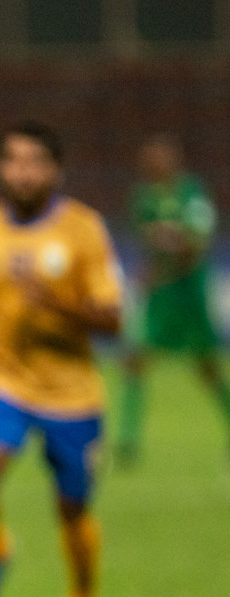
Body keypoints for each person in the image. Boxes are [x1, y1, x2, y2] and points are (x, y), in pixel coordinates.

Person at [0, 121, 122, 597]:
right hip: (4, 380)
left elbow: (113, 320)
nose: (21, 172)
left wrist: (56, 303)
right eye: (12, 160)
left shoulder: (83, 230)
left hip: (72, 394)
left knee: (72, 508)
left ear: (55, 170)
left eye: (34, 162)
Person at [115, 134, 230, 464]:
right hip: (161, 298)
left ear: (173, 160)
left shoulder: (191, 193)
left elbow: (196, 245)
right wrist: (150, 268)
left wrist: (170, 241)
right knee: (135, 362)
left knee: (208, 369)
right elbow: (146, 241)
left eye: (160, 158)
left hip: (189, 296)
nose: (153, 164)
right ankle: (127, 440)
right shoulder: (143, 197)